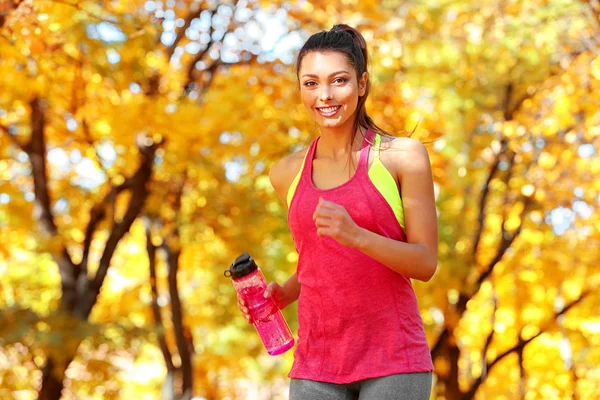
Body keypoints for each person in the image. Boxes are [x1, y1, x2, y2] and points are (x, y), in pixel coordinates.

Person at [238, 24, 437, 400]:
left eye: (339, 80)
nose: (324, 95)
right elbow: (320, 259)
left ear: (362, 84)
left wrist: (357, 234)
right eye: (310, 83)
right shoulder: (285, 174)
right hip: (316, 363)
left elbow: (425, 262)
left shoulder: (401, 157)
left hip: (393, 360)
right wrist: (284, 293)